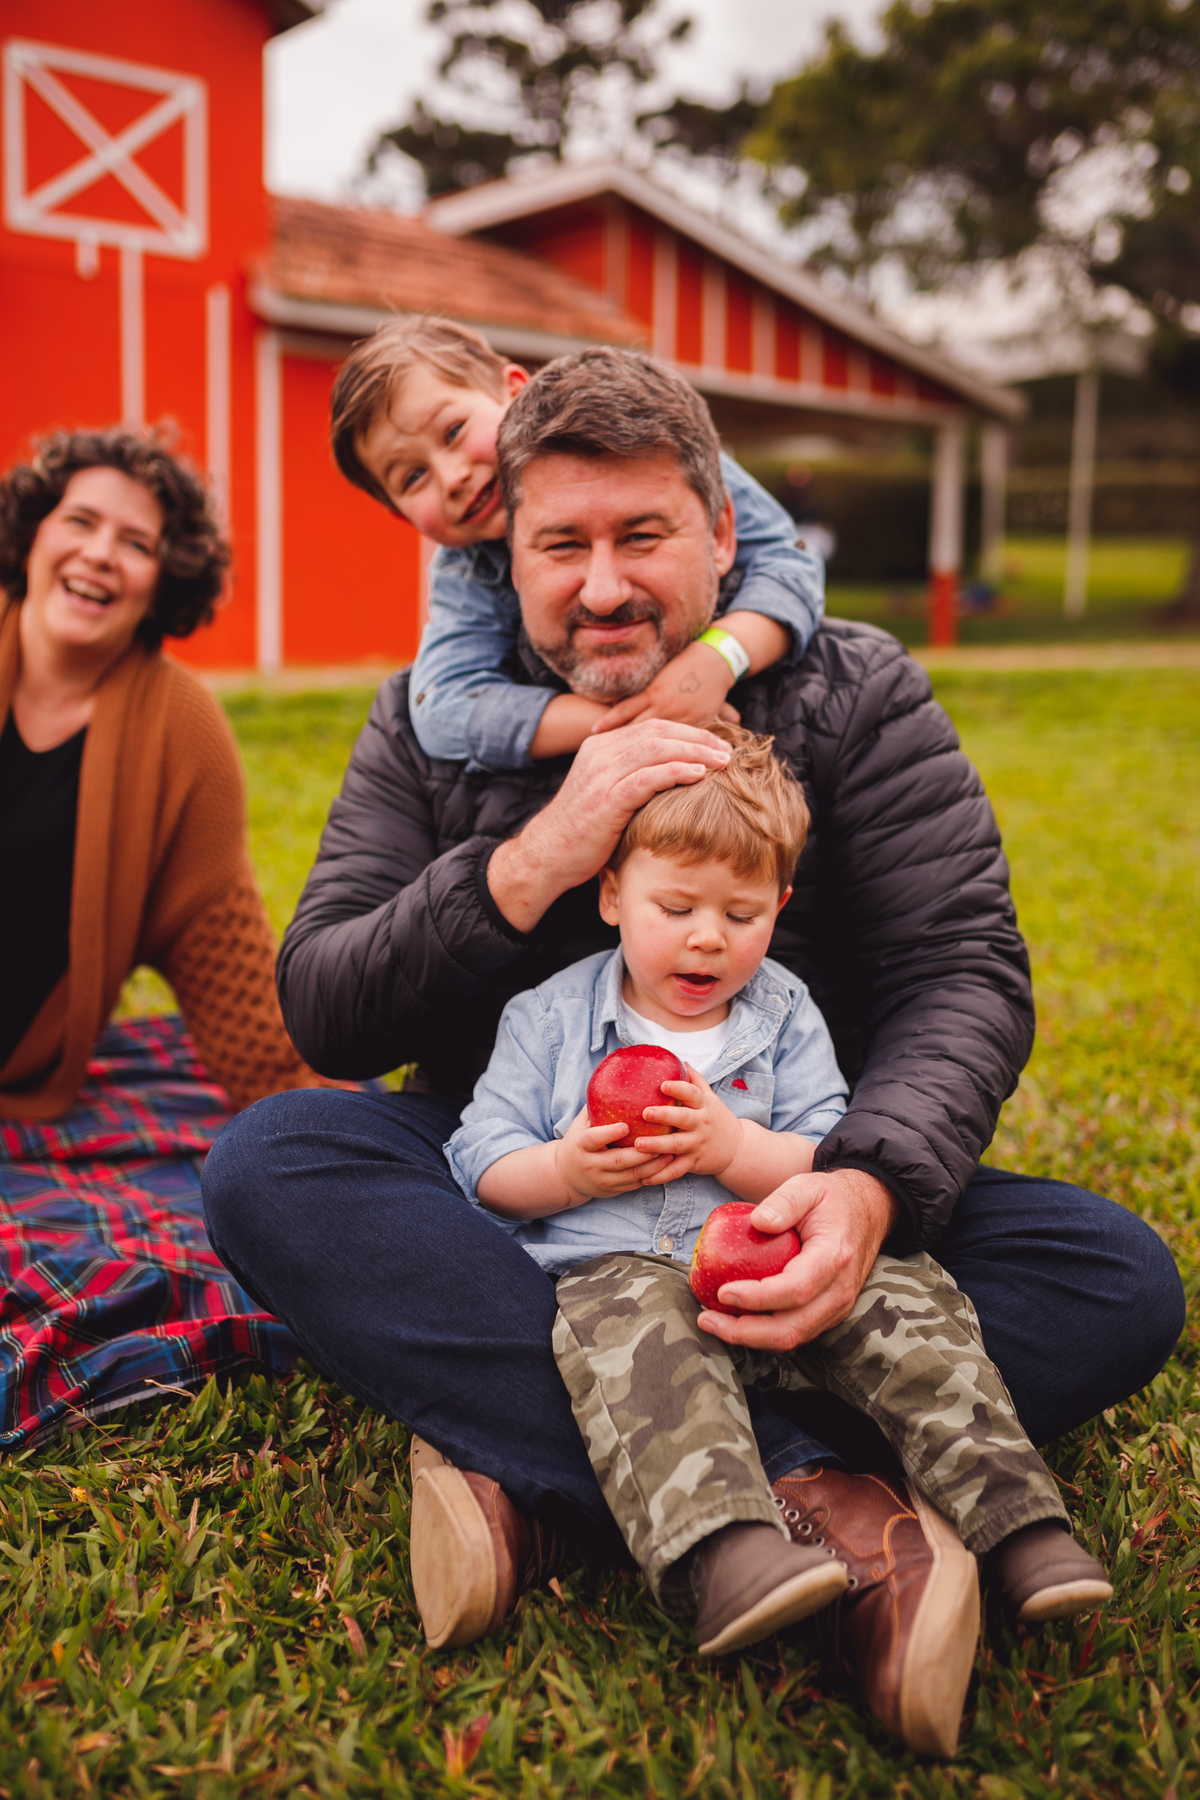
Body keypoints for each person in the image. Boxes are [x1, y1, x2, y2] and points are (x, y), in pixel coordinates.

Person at [201, 349, 1183, 1753]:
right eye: (562, 545)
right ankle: (818, 1496)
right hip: (534, 1211)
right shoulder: (428, 722)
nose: (602, 585)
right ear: (505, 552)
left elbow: (959, 971)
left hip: (772, 1200)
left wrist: (861, 1191)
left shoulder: (851, 693)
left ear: (725, 531)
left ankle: (533, 1480)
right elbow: (329, 1010)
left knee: (1116, 1277)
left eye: (642, 536)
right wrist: (534, 858)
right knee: (273, 1163)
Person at [443, 723, 1110, 1751]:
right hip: (616, 1265)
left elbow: (824, 1156)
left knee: (912, 1301)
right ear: (612, 892)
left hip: (771, 1256)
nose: (708, 938)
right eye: (676, 908)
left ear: (780, 911)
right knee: (647, 1358)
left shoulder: (786, 1013)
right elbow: (480, 1155)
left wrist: (734, 1144)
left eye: (741, 914)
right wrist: (567, 1168)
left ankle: (1018, 1525)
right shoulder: (550, 1017)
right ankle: (732, 1551)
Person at [0, 427, 335, 1443]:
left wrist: (328, 1144)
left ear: (163, 579)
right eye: (81, 521)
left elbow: (225, 965)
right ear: (35, 535)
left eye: (136, 542)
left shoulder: (181, 734)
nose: (102, 553)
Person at [328, 316, 826, 767]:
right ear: (399, 513)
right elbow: (443, 709)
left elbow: (791, 561)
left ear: (514, 391)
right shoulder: (466, 572)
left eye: (454, 431)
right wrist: (638, 717)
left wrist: (719, 657)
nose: (451, 475)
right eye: (413, 476)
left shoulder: (654, 449)